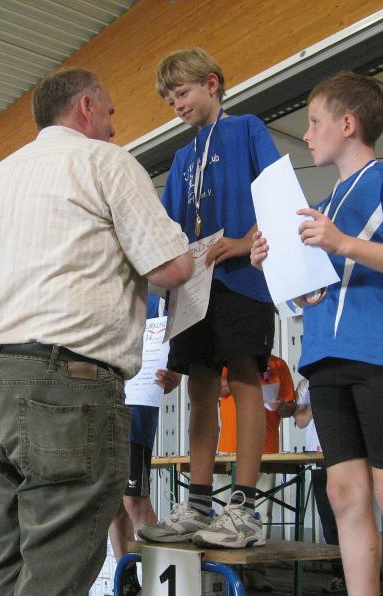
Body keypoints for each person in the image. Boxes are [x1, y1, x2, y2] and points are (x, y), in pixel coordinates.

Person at [0, 68, 193, 596]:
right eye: (109, 112)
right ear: (86, 106)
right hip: (67, 385)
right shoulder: (105, 161)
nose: (113, 126)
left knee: (7, 561)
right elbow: (172, 266)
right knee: (55, 571)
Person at [251, 71, 383, 596]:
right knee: (344, 492)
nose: (307, 135)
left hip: (379, 356)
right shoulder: (323, 207)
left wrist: (343, 243)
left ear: (348, 124)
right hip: (323, 360)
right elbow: (310, 296)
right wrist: (272, 265)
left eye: (314, 122)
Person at [138, 47, 281, 550]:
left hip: (242, 280)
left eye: (183, 93)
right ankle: (197, 504)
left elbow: (279, 199)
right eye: (170, 100)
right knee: (200, 388)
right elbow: (166, 232)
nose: (177, 105)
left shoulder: (247, 130)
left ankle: (243, 508)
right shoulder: (181, 159)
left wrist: (242, 243)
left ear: (213, 83)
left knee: (243, 380)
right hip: (193, 289)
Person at [107, 294, 182, 596]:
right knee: (113, 504)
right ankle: (128, 586)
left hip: (135, 412)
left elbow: (170, 356)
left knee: (134, 500)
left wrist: (174, 374)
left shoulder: (153, 303)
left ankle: (161, 589)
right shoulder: (96, 296)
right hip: (101, 408)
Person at [216, 354, 295, 591]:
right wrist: (247, 380)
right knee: (224, 510)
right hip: (229, 450)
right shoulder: (227, 363)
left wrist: (283, 407)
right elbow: (215, 389)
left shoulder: (278, 365)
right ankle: (226, 569)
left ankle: (257, 570)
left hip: (267, 451)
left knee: (261, 513)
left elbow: (290, 405)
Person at [293, 378, 346, 593]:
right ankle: (339, 574)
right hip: (317, 455)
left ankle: (368, 574)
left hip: (344, 453)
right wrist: (316, 394)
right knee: (329, 521)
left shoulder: (342, 375)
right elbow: (301, 421)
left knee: (354, 515)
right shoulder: (306, 385)